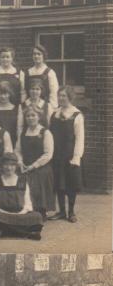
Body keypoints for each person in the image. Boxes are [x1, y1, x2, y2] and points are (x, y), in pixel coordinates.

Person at [49, 86, 84, 223]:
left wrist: (76, 156)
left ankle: (71, 211)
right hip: (57, 154)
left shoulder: (77, 115)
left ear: (70, 97)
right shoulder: (55, 114)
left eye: (64, 96)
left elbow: (80, 138)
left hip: (70, 154)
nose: (61, 98)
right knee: (59, 183)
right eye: (59, 96)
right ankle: (61, 211)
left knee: (70, 183)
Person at [0, 152, 43, 240]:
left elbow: (28, 204)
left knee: (37, 216)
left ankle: (6, 231)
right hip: (3, 214)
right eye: (6, 165)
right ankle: (26, 232)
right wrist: (7, 213)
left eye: (12, 165)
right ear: (2, 166)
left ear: (16, 166)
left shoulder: (23, 181)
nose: (9, 168)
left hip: (20, 214)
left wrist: (20, 213)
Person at [17, 106, 55, 219]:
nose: (30, 118)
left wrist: (34, 166)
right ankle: (25, 208)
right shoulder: (23, 133)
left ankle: (41, 210)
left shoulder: (45, 132)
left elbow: (48, 154)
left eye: (33, 115)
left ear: (39, 117)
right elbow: (17, 150)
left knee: (38, 177)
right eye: (28, 116)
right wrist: (20, 162)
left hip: (41, 166)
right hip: (25, 166)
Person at [24, 45, 59, 111]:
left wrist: (52, 108)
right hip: (30, 107)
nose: (36, 56)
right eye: (34, 54)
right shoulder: (28, 72)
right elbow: (25, 91)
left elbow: (54, 92)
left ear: (43, 56)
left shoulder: (50, 72)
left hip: (45, 107)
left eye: (39, 54)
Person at [0, 82, 20, 148]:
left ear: (9, 94)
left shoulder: (16, 109)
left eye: (5, 94)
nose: (3, 96)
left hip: (12, 141)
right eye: (0, 94)